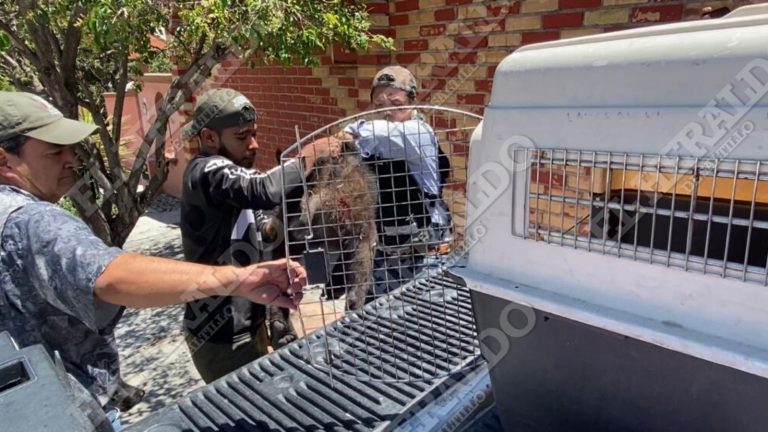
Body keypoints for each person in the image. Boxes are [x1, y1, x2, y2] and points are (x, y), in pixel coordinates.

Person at [0, 91, 307, 427]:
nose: (71, 159)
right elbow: (109, 275)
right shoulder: (29, 220)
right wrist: (241, 278)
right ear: (5, 161)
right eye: (55, 151)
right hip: (214, 334)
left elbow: (264, 228)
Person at [179, 88, 339, 383]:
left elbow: (267, 231)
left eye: (255, 133)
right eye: (242, 136)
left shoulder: (235, 181)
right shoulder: (205, 171)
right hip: (221, 333)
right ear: (210, 138)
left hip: (250, 324)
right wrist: (309, 156)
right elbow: (263, 190)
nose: (254, 144)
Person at [338, 66, 453, 303]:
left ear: (413, 102)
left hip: (425, 260)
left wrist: (350, 132)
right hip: (387, 254)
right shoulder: (378, 139)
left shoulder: (417, 133)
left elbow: (365, 135)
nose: (387, 113)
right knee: (365, 321)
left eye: (396, 104)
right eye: (379, 107)